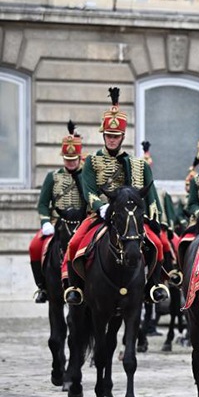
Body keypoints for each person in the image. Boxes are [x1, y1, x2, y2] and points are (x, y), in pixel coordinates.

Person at [62, 87, 167, 306]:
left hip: (129, 217)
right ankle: (75, 288)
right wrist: (100, 206)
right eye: (108, 135)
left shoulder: (138, 163)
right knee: (73, 244)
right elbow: (88, 189)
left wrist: (153, 218)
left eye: (116, 136)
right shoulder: (91, 161)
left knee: (157, 244)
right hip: (100, 215)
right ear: (103, 135)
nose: (112, 139)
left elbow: (152, 195)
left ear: (122, 136)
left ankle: (153, 286)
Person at [29, 121, 87, 303]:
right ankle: (42, 287)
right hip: (57, 224)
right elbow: (43, 203)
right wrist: (45, 222)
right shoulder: (52, 177)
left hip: (82, 224)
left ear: (79, 158)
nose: (70, 162)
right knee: (34, 247)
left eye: (73, 159)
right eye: (67, 159)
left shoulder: (86, 176)